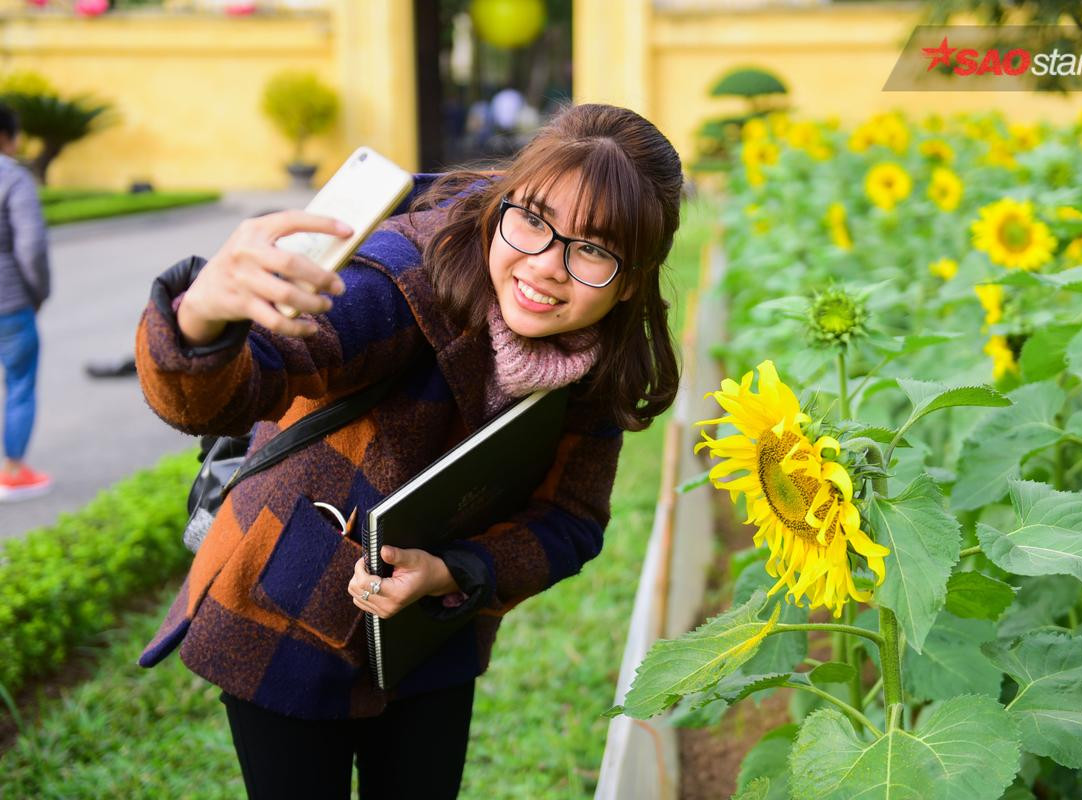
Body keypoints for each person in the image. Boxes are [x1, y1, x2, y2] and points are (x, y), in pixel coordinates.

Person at [134, 103, 683, 799]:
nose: (547, 267)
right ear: (501, 200)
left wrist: (455, 571)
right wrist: (202, 320)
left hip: (430, 641)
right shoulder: (400, 281)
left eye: (595, 249)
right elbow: (245, 381)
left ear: (632, 277)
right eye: (534, 220)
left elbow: (572, 520)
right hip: (278, 625)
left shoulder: (597, 359)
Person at [0, 101, 52, 501]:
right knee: (19, 384)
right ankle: (12, 472)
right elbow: (31, 247)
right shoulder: (13, 179)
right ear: (7, 137)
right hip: (9, 302)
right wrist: (38, 292)